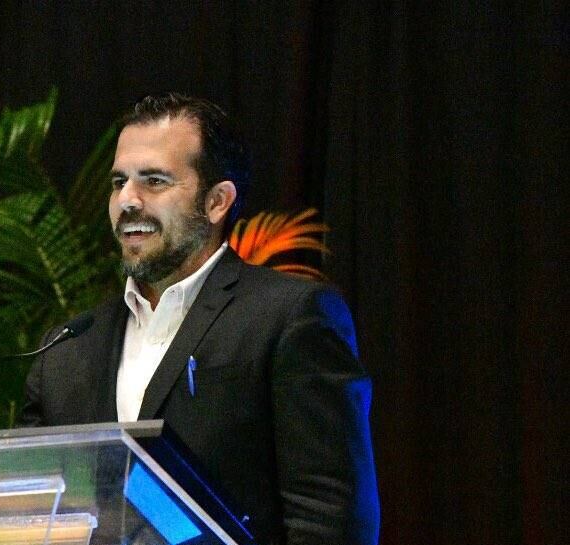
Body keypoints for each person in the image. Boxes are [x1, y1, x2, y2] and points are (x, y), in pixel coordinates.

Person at [21, 93, 379, 545]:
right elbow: (27, 510)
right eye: (118, 182)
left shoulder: (290, 318)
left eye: (154, 181)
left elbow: (330, 518)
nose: (126, 200)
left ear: (217, 202)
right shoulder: (66, 349)